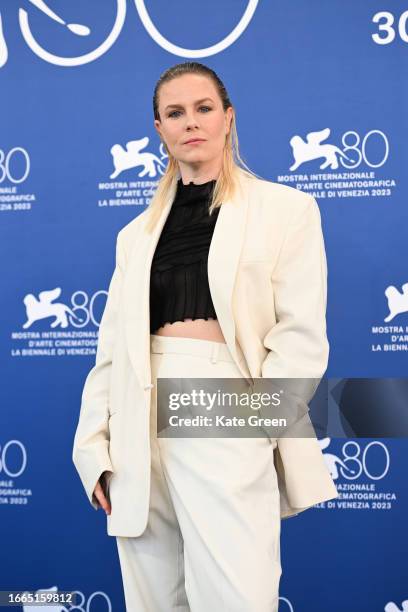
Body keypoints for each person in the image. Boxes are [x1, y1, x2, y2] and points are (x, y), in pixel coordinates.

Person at [72, 61, 338, 611]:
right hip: (135, 420)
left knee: (237, 594)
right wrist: (93, 447)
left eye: (203, 108)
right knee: (153, 598)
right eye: (175, 113)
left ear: (228, 118)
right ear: (159, 130)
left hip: (222, 408)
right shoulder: (133, 235)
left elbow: (301, 335)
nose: (190, 122)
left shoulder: (285, 210)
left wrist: (259, 423)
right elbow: (111, 352)